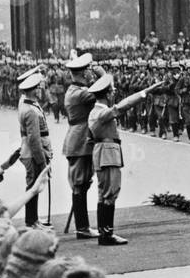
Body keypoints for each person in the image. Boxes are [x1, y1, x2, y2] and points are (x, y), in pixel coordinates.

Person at [87, 72, 159, 245]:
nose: (113, 93)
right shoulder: (100, 113)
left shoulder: (95, 112)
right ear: (108, 94)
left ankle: (105, 232)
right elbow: (122, 107)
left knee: (104, 194)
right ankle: (107, 234)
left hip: (103, 153)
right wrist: (146, 92)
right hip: (108, 154)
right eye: (112, 91)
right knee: (110, 193)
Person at [62, 54, 103, 239]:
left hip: (80, 140)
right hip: (80, 141)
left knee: (82, 183)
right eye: (88, 70)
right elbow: (105, 93)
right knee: (80, 184)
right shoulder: (80, 93)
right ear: (83, 72)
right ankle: (82, 228)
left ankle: (83, 226)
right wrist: (103, 75)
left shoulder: (75, 90)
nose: (89, 73)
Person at [17, 73, 52, 230]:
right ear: (33, 90)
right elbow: (34, 140)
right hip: (33, 153)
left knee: (33, 186)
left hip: (30, 151)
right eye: (38, 88)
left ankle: (33, 219)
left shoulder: (27, 102)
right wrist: (42, 161)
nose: (41, 90)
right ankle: (32, 221)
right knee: (33, 187)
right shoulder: (31, 110)